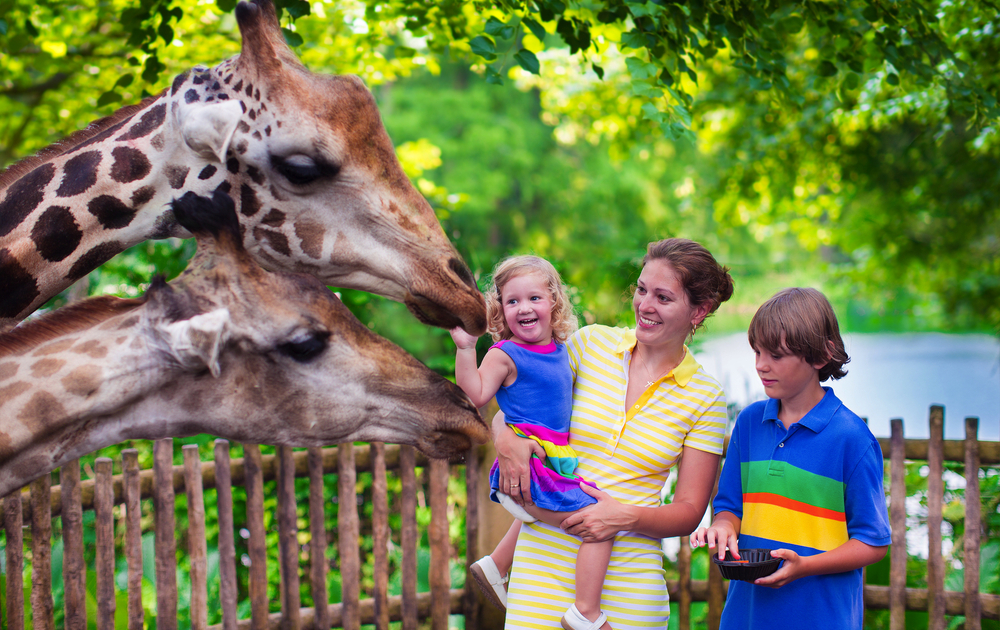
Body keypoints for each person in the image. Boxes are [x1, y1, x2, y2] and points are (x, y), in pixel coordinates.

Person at [490, 238, 735, 630]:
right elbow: (520, 407)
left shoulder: (705, 397)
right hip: (540, 574)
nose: (645, 306)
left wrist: (623, 516)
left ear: (699, 310)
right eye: (641, 290)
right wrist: (502, 436)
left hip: (628, 589)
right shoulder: (589, 345)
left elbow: (689, 511)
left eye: (663, 297)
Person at [691, 287, 891, 630]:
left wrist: (807, 566)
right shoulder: (749, 424)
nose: (760, 365)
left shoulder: (851, 438)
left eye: (776, 355)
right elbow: (729, 507)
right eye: (756, 351)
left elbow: (872, 543)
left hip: (822, 618)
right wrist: (723, 528)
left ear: (820, 356)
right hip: (747, 617)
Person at [450, 255, 612, 630]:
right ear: (500, 309)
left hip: (551, 459)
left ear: (554, 301)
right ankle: (585, 612)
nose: (524, 308)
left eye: (534, 298)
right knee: (599, 525)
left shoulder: (560, 348)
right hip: (529, 467)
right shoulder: (504, 354)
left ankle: (496, 564)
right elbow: (474, 394)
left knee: (577, 507)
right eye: (512, 301)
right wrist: (464, 348)